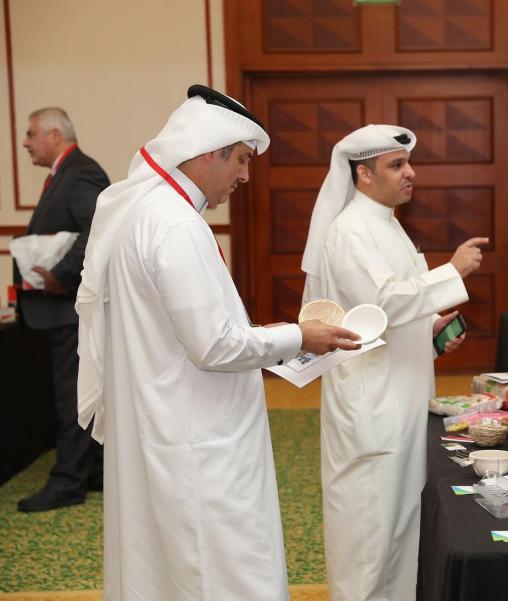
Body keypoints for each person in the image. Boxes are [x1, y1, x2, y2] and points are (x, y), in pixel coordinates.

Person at [75, 85, 360, 601]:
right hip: (197, 440)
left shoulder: (149, 212)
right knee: (218, 574)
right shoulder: (175, 224)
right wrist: (300, 335)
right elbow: (215, 346)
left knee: (172, 571)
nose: (246, 176)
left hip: (170, 424)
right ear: (208, 151)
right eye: (242, 160)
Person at [301, 124, 486, 601]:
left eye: (408, 163)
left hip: (400, 398)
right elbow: (381, 301)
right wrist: (452, 272)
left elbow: (385, 315)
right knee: (370, 536)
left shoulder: (387, 223)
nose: (410, 173)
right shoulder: (349, 231)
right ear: (364, 174)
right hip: (372, 407)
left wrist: (430, 333)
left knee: (402, 530)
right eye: (396, 165)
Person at [13, 107, 109, 512]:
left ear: (55, 134)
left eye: (31, 134)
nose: (25, 143)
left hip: (70, 308)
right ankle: (94, 470)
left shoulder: (81, 172)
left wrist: (60, 274)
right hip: (61, 309)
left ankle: (69, 481)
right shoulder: (65, 172)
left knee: (72, 397)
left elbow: (98, 231)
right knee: (76, 393)